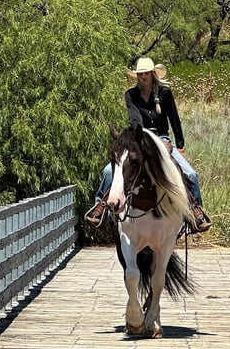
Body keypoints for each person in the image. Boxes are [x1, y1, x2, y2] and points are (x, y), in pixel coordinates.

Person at [85, 57, 211, 232]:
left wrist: (180, 146)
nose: (142, 77)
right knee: (108, 171)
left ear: (152, 74)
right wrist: (143, 137)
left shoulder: (165, 93)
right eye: (139, 74)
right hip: (140, 138)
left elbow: (174, 120)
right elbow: (135, 119)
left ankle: (195, 211)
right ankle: (101, 208)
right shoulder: (130, 95)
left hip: (163, 140)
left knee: (190, 173)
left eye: (145, 73)